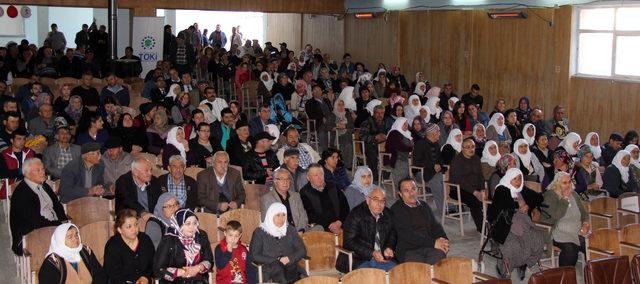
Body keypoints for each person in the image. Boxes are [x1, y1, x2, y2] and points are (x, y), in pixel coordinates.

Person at [488, 168, 544, 279]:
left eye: (520, 178)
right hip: (504, 225)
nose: (518, 182)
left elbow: (539, 197)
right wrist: (518, 206)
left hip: (522, 223)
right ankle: (503, 268)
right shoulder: (501, 189)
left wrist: (528, 205)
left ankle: (524, 263)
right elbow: (503, 206)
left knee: (537, 239)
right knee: (513, 245)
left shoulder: (521, 189)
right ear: (508, 179)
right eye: (515, 179)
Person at [10, 158, 67, 255]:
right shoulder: (22, 194)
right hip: (31, 233)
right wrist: (58, 225)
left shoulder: (45, 186)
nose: (43, 172)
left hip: (52, 226)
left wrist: (63, 221)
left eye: (43, 169)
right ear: (27, 174)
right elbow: (35, 221)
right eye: (38, 170)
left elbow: (57, 206)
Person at [338, 187, 396, 272]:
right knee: (372, 278)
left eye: (382, 201)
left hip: (382, 258)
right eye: (375, 200)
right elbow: (349, 242)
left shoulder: (388, 214)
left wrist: (389, 247)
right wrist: (372, 253)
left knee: (398, 274)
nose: (379, 204)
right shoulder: (356, 215)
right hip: (358, 258)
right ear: (368, 200)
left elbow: (392, 233)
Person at [391, 178, 448, 264]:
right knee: (419, 270)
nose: (411, 193)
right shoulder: (396, 209)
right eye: (406, 191)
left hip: (429, 246)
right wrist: (433, 243)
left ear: (418, 190)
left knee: (439, 261)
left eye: (413, 189)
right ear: (400, 194)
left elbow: (435, 226)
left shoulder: (424, 205)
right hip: (409, 250)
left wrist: (444, 240)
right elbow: (408, 235)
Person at [540, 172, 590, 267]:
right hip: (556, 232)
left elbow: (584, 213)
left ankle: (592, 272)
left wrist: (586, 223)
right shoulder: (550, 195)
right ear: (557, 184)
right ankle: (565, 276)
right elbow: (556, 215)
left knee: (592, 245)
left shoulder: (574, 194)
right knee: (571, 249)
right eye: (564, 183)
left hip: (577, 230)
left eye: (569, 182)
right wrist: (565, 199)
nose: (568, 185)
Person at [249, 203, 307, 283]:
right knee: (280, 273)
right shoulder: (259, 232)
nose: (281, 219)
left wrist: (289, 258)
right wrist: (276, 260)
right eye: (278, 215)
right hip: (269, 269)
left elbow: (302, 251)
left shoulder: (290, 230)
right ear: (271, 215)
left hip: (291, 267)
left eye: (283, 215)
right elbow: (254, 255)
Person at [154, 209, 213, 283]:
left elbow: (209, 260)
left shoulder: (201, 236)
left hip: (198, 281)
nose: (192, 227)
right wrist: (182, 272)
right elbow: (158, 269)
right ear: (179, 224)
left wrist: (198, 268)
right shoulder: (169, 239)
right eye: (188, 224)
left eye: (195, 223)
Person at [38, 223, 107, 283]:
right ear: (60, 240)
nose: (75, 239)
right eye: (70, 237)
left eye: (76, 235)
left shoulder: (85, 251)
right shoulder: (53, 262)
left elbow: (100, 275)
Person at [104, 209, 155, 284]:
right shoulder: (113, 246)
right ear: (119, 230)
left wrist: (146, 277)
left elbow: (153, 263)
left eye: (136, 224)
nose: (134, 229)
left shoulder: (145, 239)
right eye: (129, 227)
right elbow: (114, 275)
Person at [300, 163, 349, 234]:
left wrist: (339, 222)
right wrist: (330, 225)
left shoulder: (333, 186)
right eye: (316, 175)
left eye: (321, 174)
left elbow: (345, 206)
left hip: (340, 224)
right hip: (321, 228)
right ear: (308, 178)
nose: (320, 177)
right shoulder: (304, 192)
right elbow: (309, 215)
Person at [449, 137, 485, 232]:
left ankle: (491, 224)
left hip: (475, 188)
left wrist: (482, 190)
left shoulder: (476, 158)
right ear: (462, 148)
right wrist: (475, 192)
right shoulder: (457, 160)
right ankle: (482, 228)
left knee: (489, 197)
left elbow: (481, 176)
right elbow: (459, 180)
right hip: (458, 189)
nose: (471, 149)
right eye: (468, 147)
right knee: (474, 201)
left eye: (473, 146)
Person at [0, 128, 36, 198]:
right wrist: (22, 170)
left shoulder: (30, 152)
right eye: (19, 139)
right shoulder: (3, 155)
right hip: (10, 187)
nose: (22, 142)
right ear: (12, 140)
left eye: (24, 139)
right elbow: (4, 174)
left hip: (29, 184)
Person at [359, 104, 392, 180]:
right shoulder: (367, 122)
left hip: (382, 145)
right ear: (374, 113)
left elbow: (391, 134)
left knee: (391, 152)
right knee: (372, 153)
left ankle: (385, 176)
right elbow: (362, 136)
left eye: (382, 113)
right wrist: (375, 137)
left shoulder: (386, 122)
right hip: (369, 145)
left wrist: (385, 136)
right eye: (378, 113)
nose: (380, 115)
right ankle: (375, 177)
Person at [384, 117, 414, 185]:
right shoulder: (394, 133)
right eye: (404, 124)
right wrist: (411, 148)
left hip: (404, 156)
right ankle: (401, 185)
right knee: (404, 166)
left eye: (407, 124)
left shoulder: (407, 133)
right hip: (394, 158)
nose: (406, 126)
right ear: (399, 124)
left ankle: (410, 185)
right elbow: (400, 147)